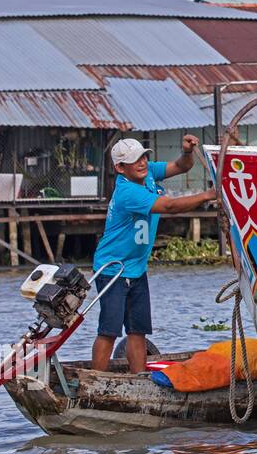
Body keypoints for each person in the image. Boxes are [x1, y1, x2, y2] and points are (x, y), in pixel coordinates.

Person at [91, 135, 217, 372]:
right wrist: (207, 195)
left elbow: (180, 166)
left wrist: (187, 152)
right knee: (109, 330)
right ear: (120, 168)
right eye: (134, 160)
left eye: (143, 156)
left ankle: (140, 379)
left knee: (138, 330)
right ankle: (96, 378)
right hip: (112, 269)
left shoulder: (147, 172)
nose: (142, 163)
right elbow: (168, 207)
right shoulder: (127, 192)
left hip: (137, 268)